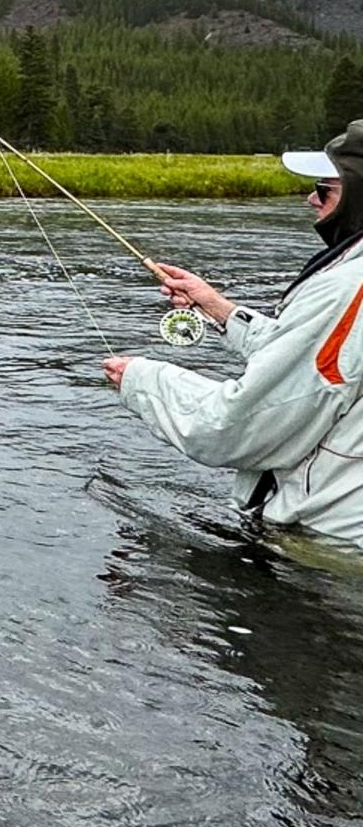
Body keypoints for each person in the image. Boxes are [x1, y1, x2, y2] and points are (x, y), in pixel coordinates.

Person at [102, 118, 363, 544]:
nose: (310, 200)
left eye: (324, 188)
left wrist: (142, 380)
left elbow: (241, 427)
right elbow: (322, 364)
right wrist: (220, 310)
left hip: (331, 550)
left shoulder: (348, 289)